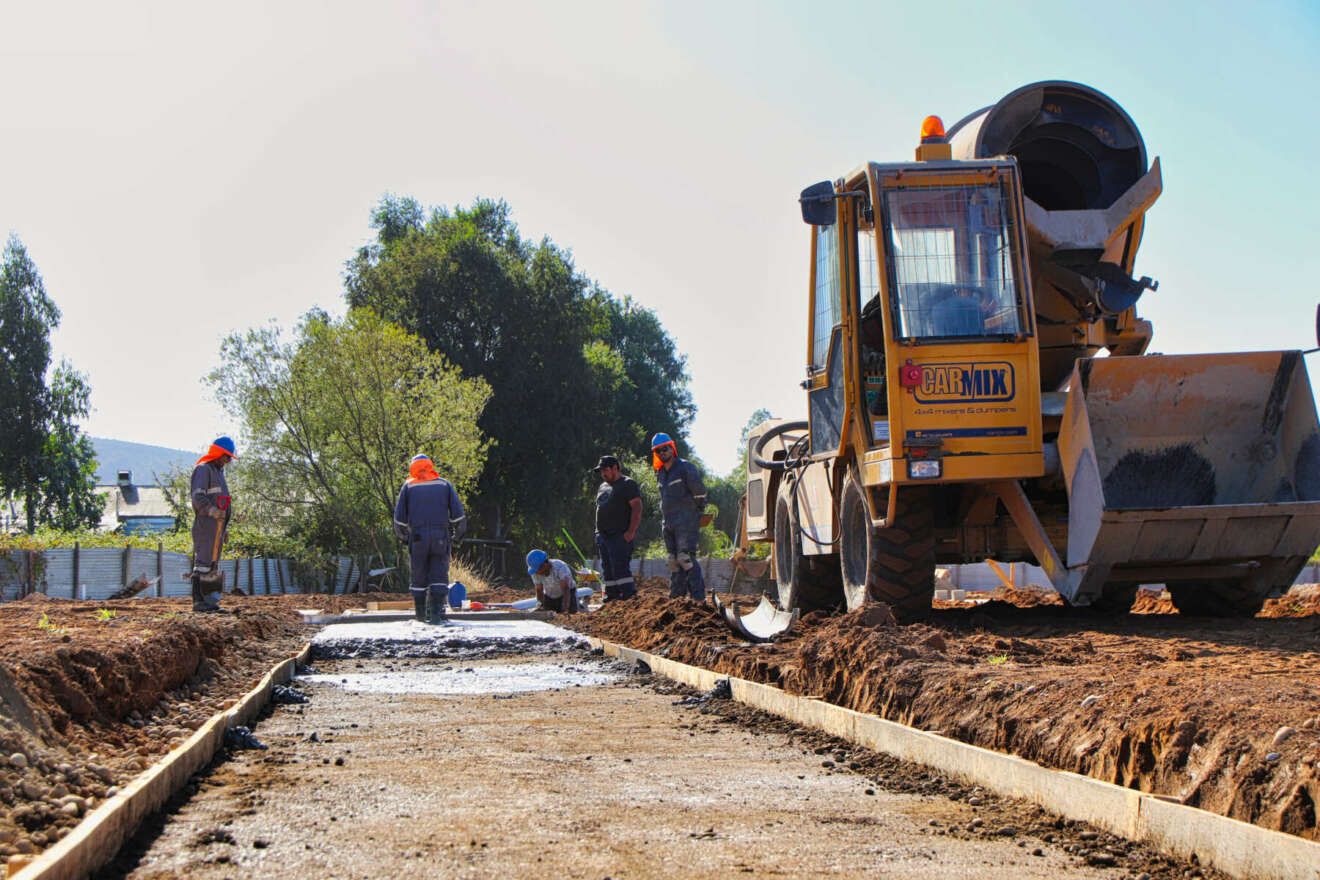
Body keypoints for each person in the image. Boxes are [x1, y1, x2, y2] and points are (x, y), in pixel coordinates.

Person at [393, 454, 466, 624]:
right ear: (430, 465)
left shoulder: (408, 486)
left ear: (413, 467)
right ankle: (436, 616)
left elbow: (399, 519)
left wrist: (404, 537)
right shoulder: (444, 484)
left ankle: (420, 616)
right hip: (440, 537)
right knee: (439, 574)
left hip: (418, 538)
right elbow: (459, 516)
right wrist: (457, 536)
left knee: (419, 575)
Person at [650, 432, 708, 601]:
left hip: (686, 521)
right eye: (658, 450)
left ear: (672, 448)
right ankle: (676, 600)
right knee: (673, 561)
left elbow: (700, 493)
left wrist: (694, 514)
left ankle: (698, 599)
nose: (662, 453)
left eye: (665, 449)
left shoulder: (685, 467)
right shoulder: (660, 472)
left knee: (685, 558)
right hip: (668, 522)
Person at [190, 436, 237, 613]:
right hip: (205, 526)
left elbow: (222, 502)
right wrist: (212, 511)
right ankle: (200, 603)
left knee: (212, 564)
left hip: (217, 527)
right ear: (217, 453)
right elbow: (197, 497)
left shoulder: (219, 472)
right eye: (226, 456)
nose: (228, 460)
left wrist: (224, 528)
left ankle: (210, 603)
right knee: (203, 563)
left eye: (230, 457)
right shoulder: (203, 470)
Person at [593, 454, 641, 602]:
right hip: (603, 536)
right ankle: (611, 597)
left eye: (605, 470)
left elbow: (637, 508)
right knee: (607, 569)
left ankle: (628, 598)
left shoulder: (628, 484)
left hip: (619, 535)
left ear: (615, 468)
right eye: (601, 471)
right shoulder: (603, 486)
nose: (603, 474)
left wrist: (631, 532)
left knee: (620, 568)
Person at [526, 549, 578, 613]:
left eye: (538, 570)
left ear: (544, 564)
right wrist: (540, 605)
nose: (536, 572)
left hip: (568, 593)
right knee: (548, 615)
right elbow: (539, 590)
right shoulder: (534, 572)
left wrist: (565, 609)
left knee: (570, 613)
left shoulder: (560, 567)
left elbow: (565, 588)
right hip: (549, 594)